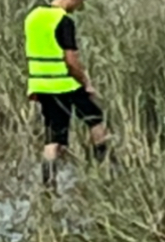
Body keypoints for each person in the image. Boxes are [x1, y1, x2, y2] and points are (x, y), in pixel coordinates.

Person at [24, 0, 109, 188]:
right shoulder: (63, 20)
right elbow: (71, 61)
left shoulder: (32, 17)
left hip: (41, 84)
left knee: (53, 137)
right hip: (65, 83)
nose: (79, 5)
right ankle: (103, 168)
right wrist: (86, 83)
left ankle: (48, 184)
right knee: (95, 118)